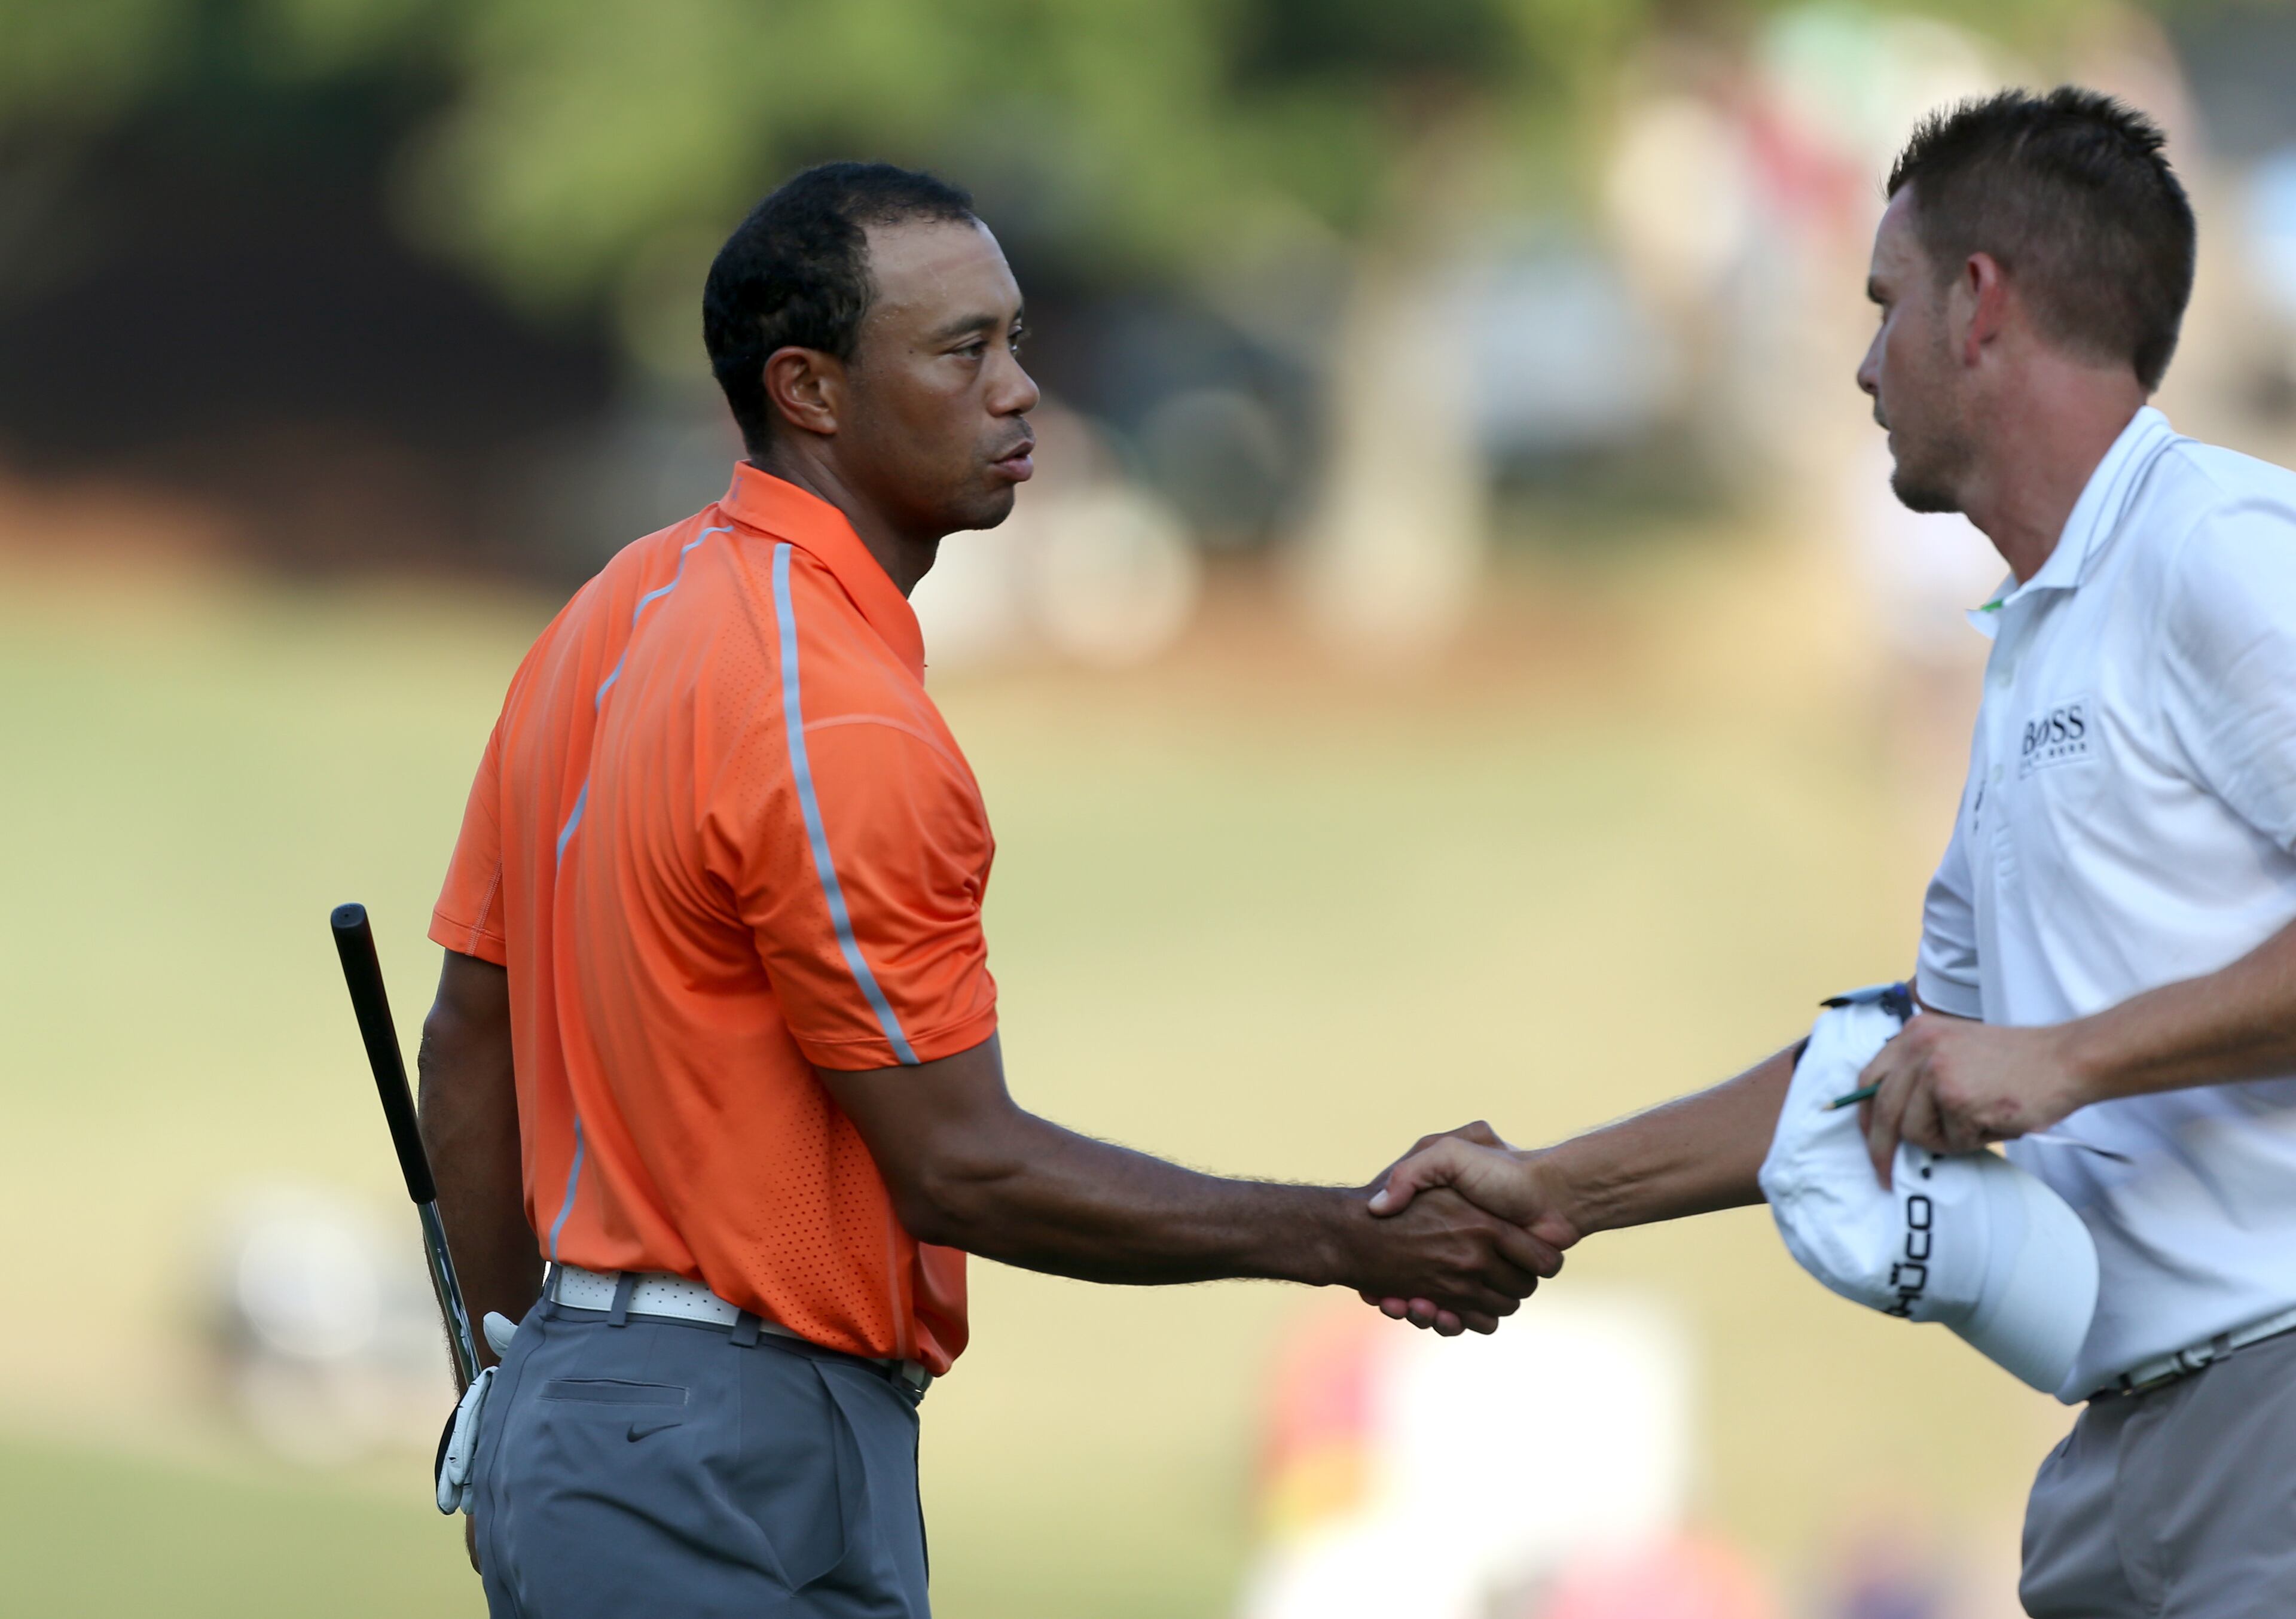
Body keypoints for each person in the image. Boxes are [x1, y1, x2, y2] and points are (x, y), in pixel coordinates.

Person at [416, 160, 1556, 1618]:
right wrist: (1340, 1231)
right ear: (809, 391)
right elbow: (964, 1163)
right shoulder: (836, 718)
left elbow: (466, 1041)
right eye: (964, 351)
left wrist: (513, 1377)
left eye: (1015, 340)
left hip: (662, 1424)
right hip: (713, 1446)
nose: (1021, 391)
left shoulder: (613, 609)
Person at [1375, 88, 2296, 1617]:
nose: (1863, 366)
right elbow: (1893, 1057)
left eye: (1883, 307)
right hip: (2124, 1454)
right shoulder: (2038, 632)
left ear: (1978, 305)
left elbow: (2025, 1059)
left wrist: (2065, 1055)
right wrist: (1555, 1190)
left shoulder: (2216, 545)